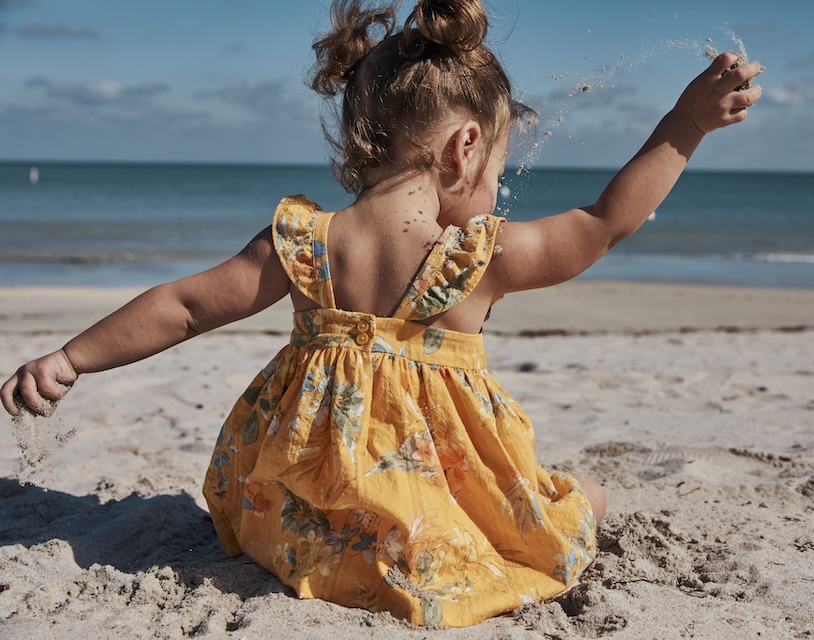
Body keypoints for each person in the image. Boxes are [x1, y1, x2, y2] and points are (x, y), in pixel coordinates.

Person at [1, 0, 762, 627]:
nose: (495, 186)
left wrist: (70, 358)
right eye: (498, 167)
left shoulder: (305, 241)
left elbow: (185, 306)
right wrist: (686, 122)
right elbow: (603, 223)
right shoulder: (483, 256)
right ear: (466, 149)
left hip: (297, 524)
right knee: (578, 499)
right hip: (423, 528)